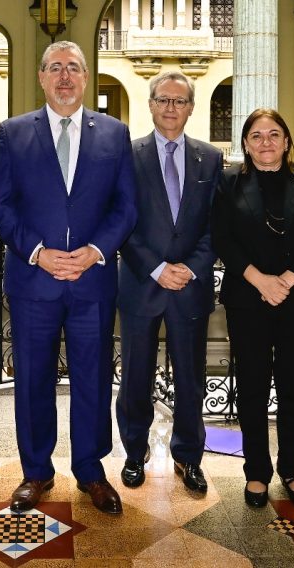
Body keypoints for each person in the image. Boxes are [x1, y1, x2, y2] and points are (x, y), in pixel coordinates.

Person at [0, 41, 137, 515]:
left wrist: (95, 252)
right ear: (41, 77)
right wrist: (37, 252)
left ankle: (91, 471)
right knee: (33, 378)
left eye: (73, 68)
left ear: (86, 77)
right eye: (55, 68)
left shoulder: (114, 133)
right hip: (35, 281)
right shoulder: (13, 133)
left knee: (93, 379)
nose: (65, 76)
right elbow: (1, 205)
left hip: (92, 281)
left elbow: (125, 207)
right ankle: (36, 471)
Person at [213, 108, 294, 510]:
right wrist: (261, 280)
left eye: (274, 134)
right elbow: (222, 238)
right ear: (246, 144)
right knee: (252, 388)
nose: (266, 142)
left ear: (286, 141)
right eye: (257, 136)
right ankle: (257, 472)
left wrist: (287, 280)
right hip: (248, 299)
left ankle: (292, 470)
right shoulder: (229, 181)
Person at [116, 71, 222, 495]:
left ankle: (188, 456)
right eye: (163, 99)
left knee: (191, 378)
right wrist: (157, 267)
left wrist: (191, 268)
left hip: (190, 287)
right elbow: (121, 221)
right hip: (142, 283)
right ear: (151, 105)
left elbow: (217, 225)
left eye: (179, 101)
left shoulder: (210, 158)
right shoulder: (127, 155)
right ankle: (133, 451)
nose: (171, 107)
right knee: (135, 377)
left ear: (191, 108)